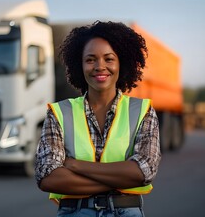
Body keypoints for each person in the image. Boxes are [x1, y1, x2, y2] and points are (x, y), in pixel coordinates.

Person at [35, 21, 161, 217]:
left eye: (109, 59)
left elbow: (143, 172)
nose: (100, 66)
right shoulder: (59, 112)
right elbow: (48, 177)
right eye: (90, 59)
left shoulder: (143, 110)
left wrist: (76, 165)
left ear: (122, 62)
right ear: (80, 64)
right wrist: (119, 180)